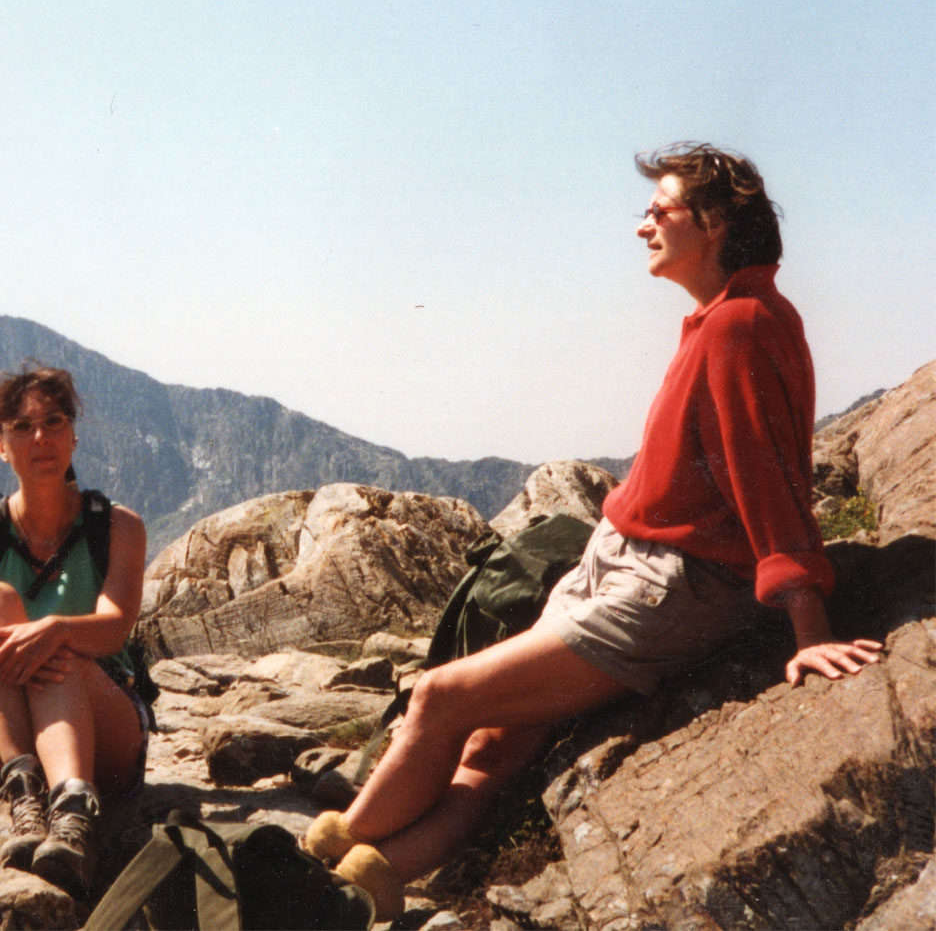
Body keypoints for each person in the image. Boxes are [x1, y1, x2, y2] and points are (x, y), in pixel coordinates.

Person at [299, 144, 886, 919]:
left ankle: (309, 870)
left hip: (667, 585)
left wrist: (806, 624)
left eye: (660, 209)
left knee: (439, 698)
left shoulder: (740, 325)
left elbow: (766, 478)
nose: (642, 223)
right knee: (491, 748)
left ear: (713, 223)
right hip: (625, 562)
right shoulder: (727, 314)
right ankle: (368, 883)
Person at [0, 364, 151, 893]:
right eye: (22, 427)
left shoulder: (117, 527)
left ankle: (72, 813)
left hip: (100, 728)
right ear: (2, 445)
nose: (41, 438)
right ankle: (25, 791)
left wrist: (52, 632)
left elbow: (114, 629)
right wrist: (8, 646)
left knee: (65, 651)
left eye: (53, 422)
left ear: (74, 435)